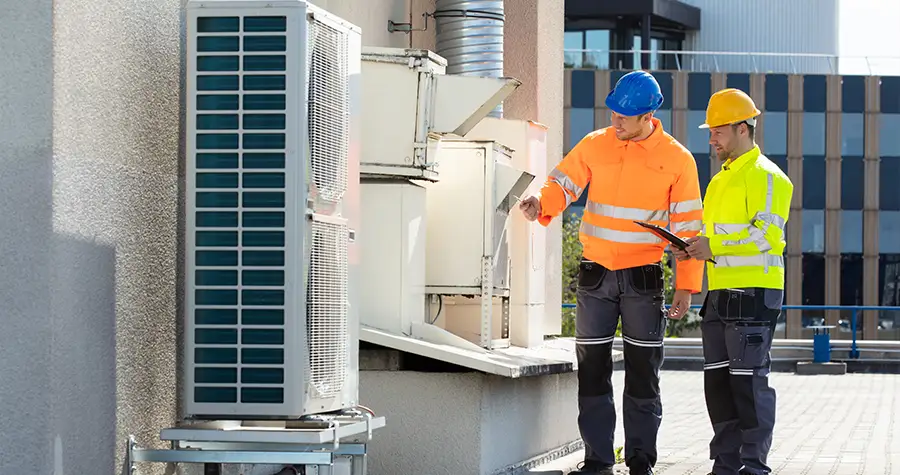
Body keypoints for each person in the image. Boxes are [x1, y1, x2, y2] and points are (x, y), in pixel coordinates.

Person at [519, 70, 704, 475]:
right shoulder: (595, 144)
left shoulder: (677, 160)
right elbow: (562, 184)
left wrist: (687, 286)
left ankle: (640, 461)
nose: (615, 120)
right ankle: (598, 461)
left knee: (643, 373)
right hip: (596, 275)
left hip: (643, 279)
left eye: (624, 115)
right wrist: (541, 202)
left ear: (648, 116)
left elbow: (689, 231)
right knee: (592, 370)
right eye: (614, 112)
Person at [674, 88, 794, 475]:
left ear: (743, 129)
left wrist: (714, 246)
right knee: (719, 385)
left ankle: (753, 466)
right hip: (720, 295)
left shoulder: (769, 177)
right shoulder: (719, 181)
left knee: (748, 384)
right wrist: (694, 249)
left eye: (718, 131)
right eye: (711, 131)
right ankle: (725, 465)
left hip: (754, 294)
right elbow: (716, 238)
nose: (711, 138)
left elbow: (767, 236)